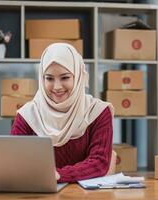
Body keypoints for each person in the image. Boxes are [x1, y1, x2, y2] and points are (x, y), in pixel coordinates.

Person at [10, 43, 114, 183]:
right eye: (49, 78)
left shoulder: (97, 112)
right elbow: (14, 160)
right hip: (39, 193)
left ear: (77, 77)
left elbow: (99, 163)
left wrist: (58, 176)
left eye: (65, 77)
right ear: (42, 78)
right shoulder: (27, 115)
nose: (57, 87)